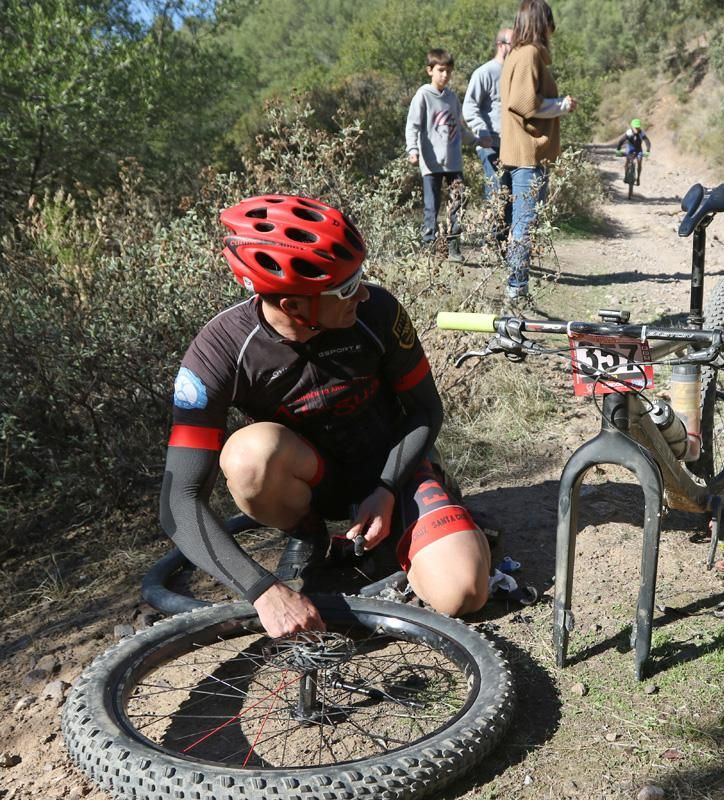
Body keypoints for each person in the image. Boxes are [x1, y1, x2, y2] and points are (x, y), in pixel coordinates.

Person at [159, 195, 491, 638]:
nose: (364, 292)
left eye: (358, 277)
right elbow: (178, 500)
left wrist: (387, 487)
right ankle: (310, 534)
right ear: (294, 305)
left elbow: (426, 408)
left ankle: (422, 514)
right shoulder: (219, 352)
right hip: (314, 480)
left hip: (393, 467)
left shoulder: (377, 312)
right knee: (247, 456)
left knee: (464, 593)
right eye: (345, 288)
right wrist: (262, 590)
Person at [499, 0, 577, 299]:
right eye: (549, 23)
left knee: (520, 222)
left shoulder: (518, 54)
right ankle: (517, 289)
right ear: (540, 23)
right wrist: (562, 106)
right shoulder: (529, 54)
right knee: (523, 225)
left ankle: (516, 286)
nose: (552, 30)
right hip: (528, 156)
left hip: (521, 154)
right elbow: (525, 104)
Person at [407, 48, 469, 263]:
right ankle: (428, 248)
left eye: (448, 71)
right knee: (431, 207)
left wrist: (479, 139)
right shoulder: (423, 95)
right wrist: (413, 150)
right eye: (441, 70)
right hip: (431, 163)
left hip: (453, 161)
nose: (445, 75)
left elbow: (459, 128)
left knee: (457, 204)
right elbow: (413, 125)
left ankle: (453, 247)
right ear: (430, 70)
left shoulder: (452, 98)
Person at [463, 26, 515, 242]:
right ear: (501, 45)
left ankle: (505, 244)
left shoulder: (516, 72)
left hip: (513, 145)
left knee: (512, 194)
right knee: (497, 190)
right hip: (491, 144)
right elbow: (469, 106)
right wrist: (481, 131)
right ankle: (494, 243)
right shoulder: (484, 73)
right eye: (514, 44)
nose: (517, 48)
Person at [615, 118, 651, 186]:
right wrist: (618, 150)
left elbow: (647, 142)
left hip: (638, 149)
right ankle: (626, 176)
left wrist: (648, 150)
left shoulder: (641, 133)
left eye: (638, 127)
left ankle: (638, 178)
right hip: (630, 148)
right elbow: (621, 141)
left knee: (639, 162)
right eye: (635, 127)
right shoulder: (629, 132)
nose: (636, 129)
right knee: (627, 161)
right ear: (632, 127)